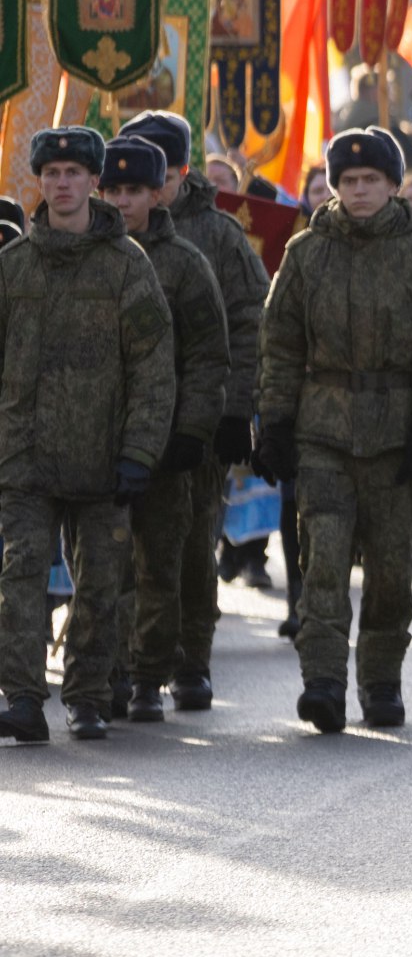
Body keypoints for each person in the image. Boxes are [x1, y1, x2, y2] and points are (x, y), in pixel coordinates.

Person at [257, 128, 412, 733]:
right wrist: (273, 420)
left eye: (369, 181)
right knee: (322, 560)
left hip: (396, 433)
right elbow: (279, 344)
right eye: (347, 181)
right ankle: (322, 681)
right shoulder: (306, 253)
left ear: (392, 184)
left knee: (387, 571)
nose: (357, 191)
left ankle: (381, 682)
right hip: (322, 429)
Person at [0, 128, 175, 744]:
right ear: (40, 182)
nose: (63, 184)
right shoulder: (12, 266)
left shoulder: (128, 265)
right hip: (23, 452)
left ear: (93, 182)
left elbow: (154, 367)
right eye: (52, 174)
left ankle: (87, 696)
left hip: (103, 455)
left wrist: (139, 450)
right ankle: (22, 696)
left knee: (100, 580)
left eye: (74, 172)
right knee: (20, 573)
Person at [121, 110, 267, 710]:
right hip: (120, 416)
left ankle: (190, 659)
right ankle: (128, 663)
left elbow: (247, 325)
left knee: (188, 546)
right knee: (121, 549)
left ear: (181, 172)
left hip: (195, 420)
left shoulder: (220, 236)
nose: (146, 187)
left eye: (160, 172)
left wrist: (236, 412)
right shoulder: (112, 230)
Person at [98, 138, 229, 726]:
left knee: (162, 567)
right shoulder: (88, 257)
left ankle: (150, 673)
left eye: (135, 191)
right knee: (103, 565)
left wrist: (194, 430)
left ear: (158, 193)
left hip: (169, 440)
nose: (124, 202)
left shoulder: (185, 263)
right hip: (95, 438)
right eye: (115, 191)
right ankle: (109, 671)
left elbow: (208, 356)